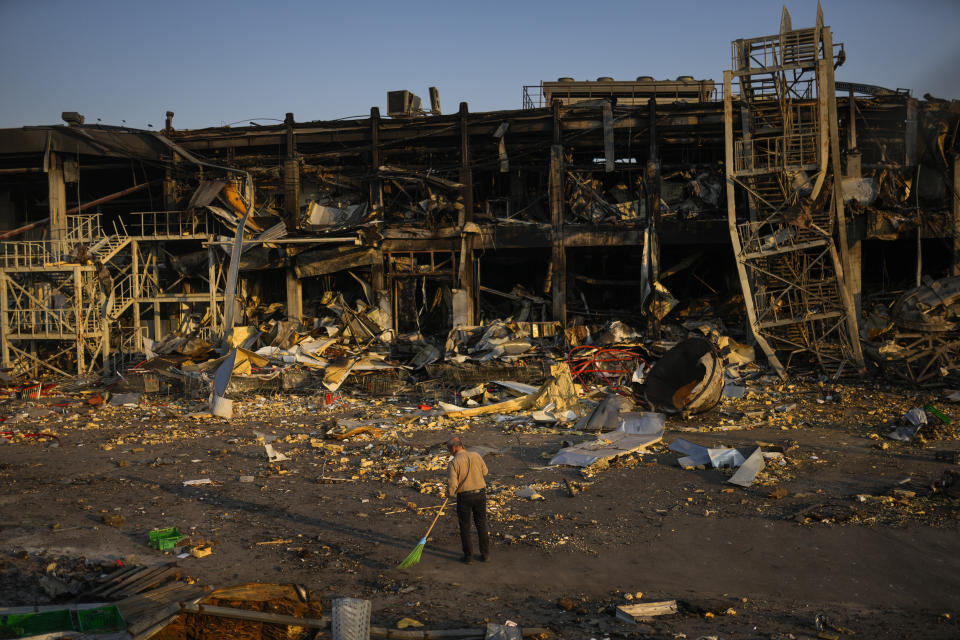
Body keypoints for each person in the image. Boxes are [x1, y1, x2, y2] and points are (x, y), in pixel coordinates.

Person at [446, 436, 489, 563]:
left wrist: (449, 494)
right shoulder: (476, 455)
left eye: (449, 449)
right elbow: (485, 472)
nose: (449, 452)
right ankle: (485, 555)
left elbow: (453, 484)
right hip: (480, 494)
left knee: (465, 526)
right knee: (481, 524)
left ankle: (468, 557)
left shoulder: (453, 463)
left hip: (464, 497)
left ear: (454, 448)